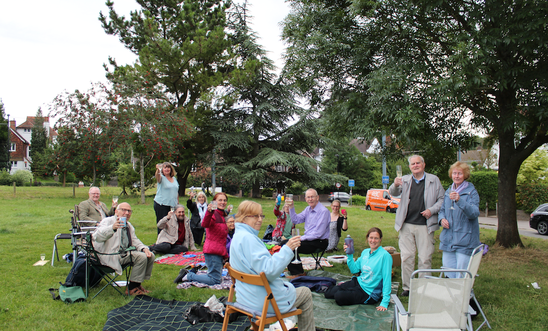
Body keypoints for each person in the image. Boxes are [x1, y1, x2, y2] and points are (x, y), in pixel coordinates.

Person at [230, 200, 316, 331]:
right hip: (261, 302)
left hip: (244, 297)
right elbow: (269, 271)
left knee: (287, 284)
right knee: (305, 292)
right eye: (255, 216)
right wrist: (287, 249)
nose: (260, 220)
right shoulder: (249, 239)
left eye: (261, 216)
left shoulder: (238, 236)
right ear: (244, 217)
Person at [389, 155, 444, 297]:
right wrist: (395, 184)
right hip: (406, 224)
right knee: (407, 257)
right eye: (412, 164)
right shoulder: (405, 180)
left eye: (418, 163)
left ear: (423, 165)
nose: (415, 166)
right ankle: (408, 287)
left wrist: (431, 210)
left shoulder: (433, 180)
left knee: (425, 258)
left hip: (425, 225)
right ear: (409, 167)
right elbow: (393, 193)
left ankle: (423, 287)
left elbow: (442, 199)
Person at [93, 202, 155, 295]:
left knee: (150, 255)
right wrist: (112, 228)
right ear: (116, 211)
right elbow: (97, 236)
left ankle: (137, 283)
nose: (127, 213)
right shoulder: (108, 221)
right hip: (110, 255)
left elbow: (135, 240)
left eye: (129, 211)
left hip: (123, 254)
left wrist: (144, 248)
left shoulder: (128, 225)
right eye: (124, 210)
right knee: (141, 257)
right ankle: (131, 288)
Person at [324, 227, 392, 311]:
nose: (373, 241)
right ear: (367, 238)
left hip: (368, 293)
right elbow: (354, 270)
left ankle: (347, 290)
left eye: (376, 238)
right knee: (328, 293)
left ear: (380, 239)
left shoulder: (385, 256)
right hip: (358, 283)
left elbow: (387, 279)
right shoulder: (365, 252)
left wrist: (385, 302)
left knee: (339, 296)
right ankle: (348, 289)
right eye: (371, 238)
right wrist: (349, 255)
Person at [439, 161, 480, 278]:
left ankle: (464, 295)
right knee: (448, 270)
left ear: (465, 175)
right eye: (455, 173)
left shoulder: (471, 192)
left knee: (462, 273)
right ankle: (452, 295)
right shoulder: (448, 191)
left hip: (465, 240)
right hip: (448, 240)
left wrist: (459, 200)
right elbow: (442, 210)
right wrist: (441, 219)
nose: (456, 176)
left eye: (460, 174)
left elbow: (474, 213)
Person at [179, 192, 229, 285]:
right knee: (215, 280)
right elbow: (205, 224)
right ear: (214, 202)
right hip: (212, 251)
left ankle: (192, 273)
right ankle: (189, 276)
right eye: (220, 200)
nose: (223, 202)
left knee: (216, 277)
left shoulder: (221, 215)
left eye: (225, 200)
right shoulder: (213, 214)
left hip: (218, 251)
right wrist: (209, 212)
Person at [287, 188, 330, 276]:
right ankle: (294, 270)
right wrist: (291, 207)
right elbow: (295, 220)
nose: (310, 199)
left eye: (312, 197)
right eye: (308, 197)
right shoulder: (308, 209)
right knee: (285, 243)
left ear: (317, 198)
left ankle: (298, 273)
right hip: (309, 239)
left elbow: (318, 234)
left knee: (291, 245)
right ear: (305, 199)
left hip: (320, 242)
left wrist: (301, 238)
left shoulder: (323, 211)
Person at [154, 162, 179, 234]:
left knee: (172, 223)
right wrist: (158, 169)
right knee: (162, 223)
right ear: (162, 169)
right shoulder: (161, 178)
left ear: (171, 169)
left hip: (172, 205)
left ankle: (170, 239)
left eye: (168, 167)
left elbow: (176, 192)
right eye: (165, 167)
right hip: (161, 204)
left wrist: (177, 203)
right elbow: (157, 176)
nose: (167, 169)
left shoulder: (174, 179)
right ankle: (161, 242)